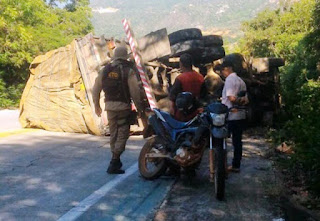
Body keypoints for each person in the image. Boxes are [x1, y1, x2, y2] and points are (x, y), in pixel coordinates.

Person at [92, 46, 142, 174]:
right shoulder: (128, 70)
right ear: (125, 56)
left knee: (113, 134)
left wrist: (96, 105)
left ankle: (116, 160)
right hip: (123, 108)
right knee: (122, 134)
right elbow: (135, 92)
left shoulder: (105, 70)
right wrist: (140, 109)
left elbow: (96, 89)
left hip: (109, 108)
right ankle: (114, 161)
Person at [220, 60, 249, 172]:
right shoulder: (241, 81)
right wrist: (241, 101)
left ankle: (223, 166)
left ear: (227, 69)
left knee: (222, 141)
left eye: (222, 71)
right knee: (237, 141)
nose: (222, 74)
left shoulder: (229, 80)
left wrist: (236, 102)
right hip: (241, 114)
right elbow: (246, 100)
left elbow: (231, 98)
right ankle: (236, 165)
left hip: (231, 115)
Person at [169, 53, 207, 122]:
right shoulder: (200, 77)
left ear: (181, 64)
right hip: (196, 111)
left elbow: (173, 96)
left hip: (183, 114)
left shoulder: (180, 78)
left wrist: (172, 109)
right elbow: (204, 95)